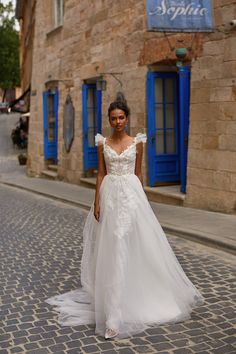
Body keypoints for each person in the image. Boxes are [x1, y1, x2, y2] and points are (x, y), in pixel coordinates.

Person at [46, 93, 204, 339]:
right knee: (114, 247)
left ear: (127, 119)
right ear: (109, 121)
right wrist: (96, 201)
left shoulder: (137, 142)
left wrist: (143, 203)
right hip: (109, 197)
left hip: (132, 197)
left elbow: (139, 173)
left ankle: (132, 300)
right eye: (113, 118)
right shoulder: (103, 143)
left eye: (121, 117)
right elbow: (100, 174)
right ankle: (113, 315)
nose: (118, 122)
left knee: (134, 247)